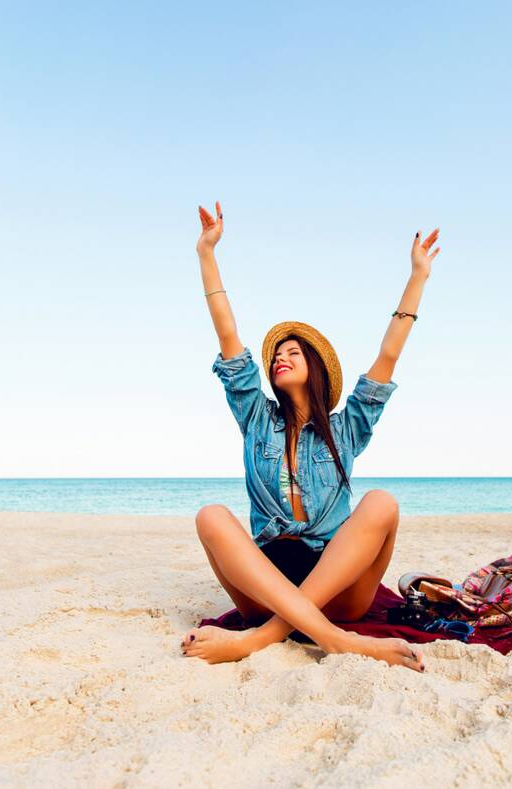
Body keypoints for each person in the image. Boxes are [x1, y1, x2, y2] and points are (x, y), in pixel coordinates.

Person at [180, 200, 441, 672]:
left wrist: (417, 275)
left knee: (382, 502)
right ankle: (337, 642)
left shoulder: (348, 427)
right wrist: (207, 252)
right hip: (270, 583)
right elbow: (228, 335)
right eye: (276, 352)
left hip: (335, 587)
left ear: (315, 368)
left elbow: (388, 356)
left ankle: (261, 639)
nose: (280, 356)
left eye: (292, 351)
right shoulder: (256, 418)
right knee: (210, 516)